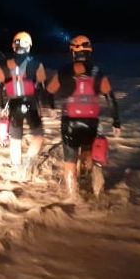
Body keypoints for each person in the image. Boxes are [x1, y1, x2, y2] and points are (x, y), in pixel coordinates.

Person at [46, 35, 121, 198]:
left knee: (70, 161)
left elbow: (49, 91)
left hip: (70, 122)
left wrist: (51, 108)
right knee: (88, 154)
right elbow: (111, 98)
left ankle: (73, 198)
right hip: (91, 123)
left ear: (73, 52)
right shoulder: (98, 72)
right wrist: (116, 122)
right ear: (89, 51)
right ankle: (94, 190)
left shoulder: (64, 71)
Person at [0, 31, 50, 180]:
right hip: (30, 103)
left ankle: (16, 166)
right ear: (29, 46)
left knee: (15, 137)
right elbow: (43, 87)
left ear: (14, 46)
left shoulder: (4, 64)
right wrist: (47, 105)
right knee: (38, 136)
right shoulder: (36, 63)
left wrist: (0, 107)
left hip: (13, 104)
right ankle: (28, 163)